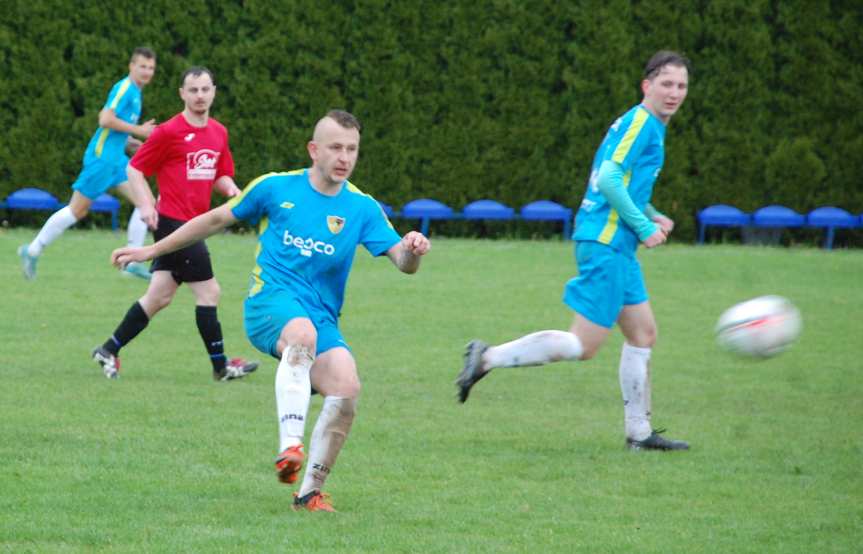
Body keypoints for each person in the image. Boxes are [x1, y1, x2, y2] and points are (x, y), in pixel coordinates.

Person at [110, 109, 431, 512]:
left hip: (321, 317)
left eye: (352, 149)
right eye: (335, 148)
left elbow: (402, 261)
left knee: (347, 389)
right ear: (314, 150)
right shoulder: (276, 188)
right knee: (302, 335)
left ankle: (309, 492)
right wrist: (151, 250)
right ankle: (289, 447)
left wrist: (414, 249)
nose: (344, 157)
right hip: (268, 305)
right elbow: (213, 219)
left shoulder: (362, 208)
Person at [456, 50, 691, 451]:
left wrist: (652, 213)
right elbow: (611, 179)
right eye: (666, 84)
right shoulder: (641, 123)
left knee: (643, 334)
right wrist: (642, 225)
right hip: (607, 243)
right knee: (583, 345)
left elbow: (617, 178)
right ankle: (487, 358)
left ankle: (639, 433)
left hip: (616, 244)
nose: (674, 93)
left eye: (682, 86)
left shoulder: (645, 125)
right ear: (646, 85)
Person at [91, 66, 258, 382]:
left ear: (214, 92)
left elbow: (219, 173)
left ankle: (108, 349)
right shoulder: (168, 131)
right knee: (209, 292)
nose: (199, 96)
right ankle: (221, 367)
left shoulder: (219, 132)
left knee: (159, 297)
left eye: (205, 89)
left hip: (195, 222)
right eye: (192, 90)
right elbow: (135, 169)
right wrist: (144, 204)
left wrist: (233, 190)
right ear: (182, 93)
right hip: (172, 223)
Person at [17, 47, 158, 281]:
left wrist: (138, 144)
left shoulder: (136, 93)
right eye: (142, 66)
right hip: (102, 159)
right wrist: (140, 131)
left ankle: (131, 261)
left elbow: (119, 133)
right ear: (131, 66)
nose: (147, 71)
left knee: (147, 203)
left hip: (117, 161)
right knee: (77, 210)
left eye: (151, 68)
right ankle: (32, 251)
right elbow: (105, 119)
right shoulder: (125, 88)